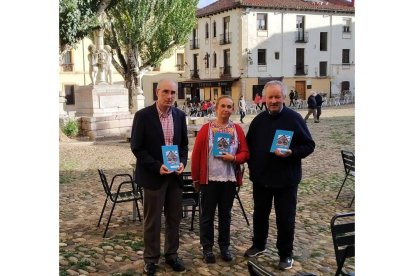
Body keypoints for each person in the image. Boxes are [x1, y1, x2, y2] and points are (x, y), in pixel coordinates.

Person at [244, 80, 315, 271]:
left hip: (286, 181)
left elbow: (309, 145)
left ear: (284, 98)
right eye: (270, 97)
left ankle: (285, 254)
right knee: (260, 215)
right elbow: (248, 146)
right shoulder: (258, 121)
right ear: (264, 99)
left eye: (277, 97)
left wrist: (292, 152)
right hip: (261, 180)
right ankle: (259, 244)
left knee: (285, 218)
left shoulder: (294, 119)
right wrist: (250, 166)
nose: (273, 100)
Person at [130, 79, 188, 275]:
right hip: (154, 176)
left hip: (175, 177)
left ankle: (172, 255)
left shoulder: (180, 116)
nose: (170, 96)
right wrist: (156, 166)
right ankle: (151, 259)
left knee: (174, 219)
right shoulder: (143, 116)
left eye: (173, 92)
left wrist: (182, 162)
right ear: (157, 92)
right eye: (166, 92)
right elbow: (137, 147)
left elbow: (184, 146)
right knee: (152, 220)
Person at [191, 95, 249, 264]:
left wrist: (234, 158)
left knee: (226, 215)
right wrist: (196, 178)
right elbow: (196, 155)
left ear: (233, 109)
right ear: (216, 108)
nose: (225, 109)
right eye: (222, 106)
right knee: (207, 215)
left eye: (229, 107)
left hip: (229, 179)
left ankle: (224, 247)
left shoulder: (237, 130)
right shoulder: (206, 129)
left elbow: (245, 153)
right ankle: (207, 248)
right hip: (209, 180)